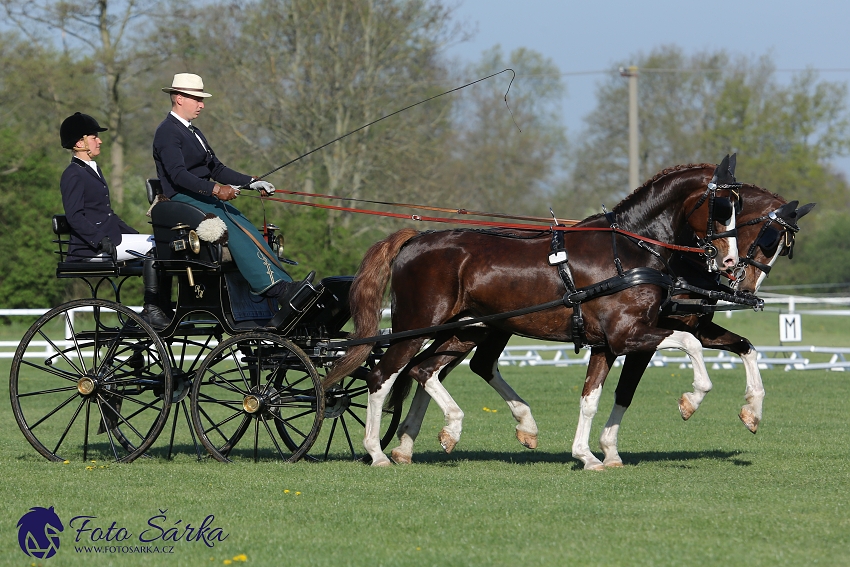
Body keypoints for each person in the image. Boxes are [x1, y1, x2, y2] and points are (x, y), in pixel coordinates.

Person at [152, 73, 312, 310]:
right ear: (179, 98)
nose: (202, 104)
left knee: (243, 221)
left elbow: (216, 168)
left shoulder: (194, 132)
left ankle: (284, 285)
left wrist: (251, 182)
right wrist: (216, 189)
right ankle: (274, 289)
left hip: (200, 197)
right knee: (232, 227)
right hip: (181, 199)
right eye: (196, 99)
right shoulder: (167, 131)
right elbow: (178, 175)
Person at [59, 112, 170, 328]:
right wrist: (100, 239)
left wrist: (134, 234)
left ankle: (161, 306)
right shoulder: (72, 174)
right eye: (93, 136)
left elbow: (107, 214)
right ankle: (152, 309)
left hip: (110, 239)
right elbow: (74, 216)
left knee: (162, 245)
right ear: (80, 143)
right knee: (159, 248)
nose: (99, 140)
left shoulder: (93, 169)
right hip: (90, 249)